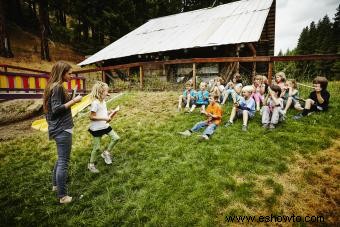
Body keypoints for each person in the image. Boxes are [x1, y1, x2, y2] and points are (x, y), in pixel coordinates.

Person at [43, 61, 83, 204]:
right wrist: (75, 101)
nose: (72, 76)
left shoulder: (53, 87)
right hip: (62, 129)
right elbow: (57, 109)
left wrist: (71, 98)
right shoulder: (58, 87)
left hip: (58, 128)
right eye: (69, 73)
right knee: (64, 162)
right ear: (62, 73)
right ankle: (63, 196)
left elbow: (56, 107)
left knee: (61, 159)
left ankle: (56, 186)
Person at [88, 81, 120, 173]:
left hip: (105, 126)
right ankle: (91, 164)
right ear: (101, 92)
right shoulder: (95, 103)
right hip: (97, 128)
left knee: (116, 138)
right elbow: (91, 116)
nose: (108, 93)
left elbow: (102, 112)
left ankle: (106, 153)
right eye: (106, 91)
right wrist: (104, 117)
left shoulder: (103, 102)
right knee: (97, 148)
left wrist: (110, 112)